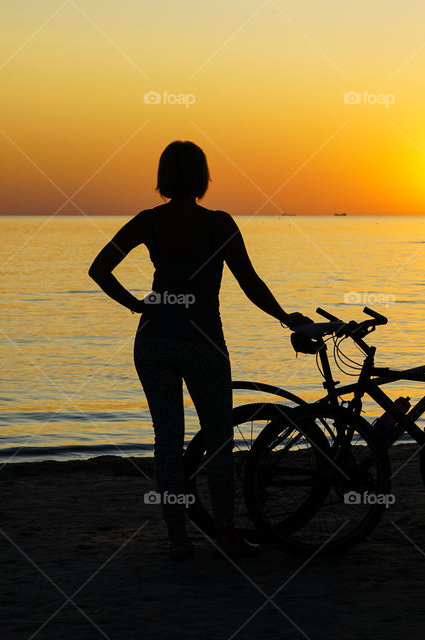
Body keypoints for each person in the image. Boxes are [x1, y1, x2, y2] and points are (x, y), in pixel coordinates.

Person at [88, 140, 310, 559]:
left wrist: (137, 305)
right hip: (203, 341)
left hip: (154, 339)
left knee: (168, 442)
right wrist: (286, 317)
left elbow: (99, 269)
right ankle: (225, 532)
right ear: (203, 178)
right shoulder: (218, 224)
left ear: (163, 178)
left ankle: (178, 538)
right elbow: (250, 282)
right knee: (219, 439)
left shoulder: (149, 221)